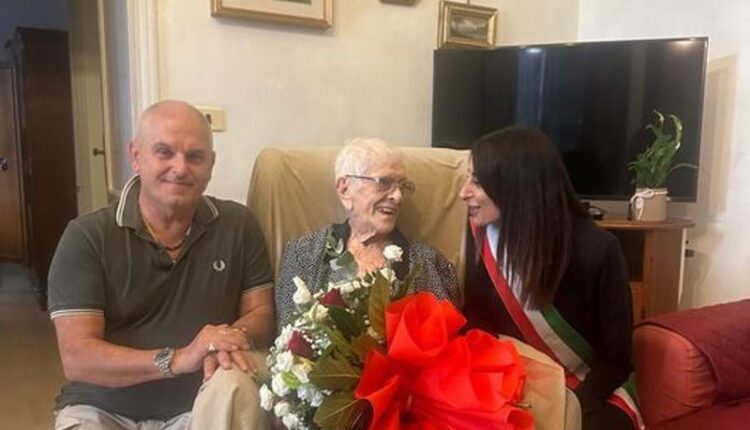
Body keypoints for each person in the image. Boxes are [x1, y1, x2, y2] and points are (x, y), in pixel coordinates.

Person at [48, 100, 274, 429]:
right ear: (136, 156)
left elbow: (262, 313)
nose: (180, 168)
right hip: (103, 411)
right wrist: (179, 359)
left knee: (237, 386)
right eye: (164, 152)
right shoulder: (87, 237)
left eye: (195, 156)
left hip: (201, 407)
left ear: (211, 164)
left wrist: (228, 338)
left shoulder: (238, 225)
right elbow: (77, 357)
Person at [459, 126, 643, 430]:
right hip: (514, 380)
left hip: (591, 387)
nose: (463, 192)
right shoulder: (482, 235)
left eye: (477, 182)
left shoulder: (598, 250)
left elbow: (616, 360)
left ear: (515, 184)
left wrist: (573, 406)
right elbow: (478, 320)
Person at [275, 138, 459, 329]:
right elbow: (289, 335)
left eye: (403, 186)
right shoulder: (303, 253)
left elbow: (445, 335)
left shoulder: (428, 263)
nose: (398, 197)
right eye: (384, 182)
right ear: (345, 189)